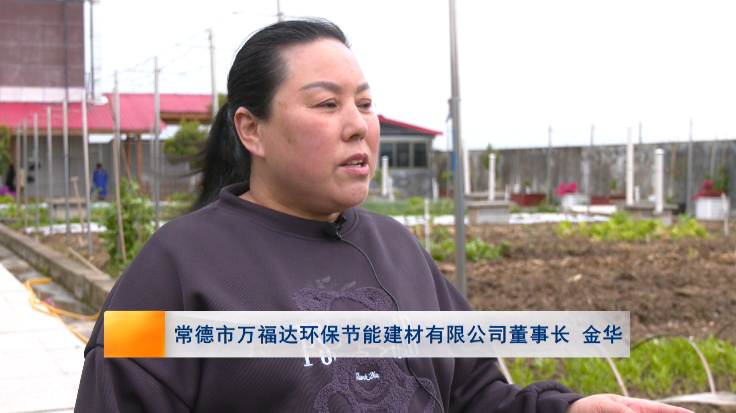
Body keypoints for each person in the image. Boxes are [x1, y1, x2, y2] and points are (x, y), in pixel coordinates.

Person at [74, 19, 692, 413]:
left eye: (365, 103)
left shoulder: (396, 246)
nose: (358, 125)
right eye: (327, 104)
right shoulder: (177, 268)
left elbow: (474, 393)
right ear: (251, 129)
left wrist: (569, 410)